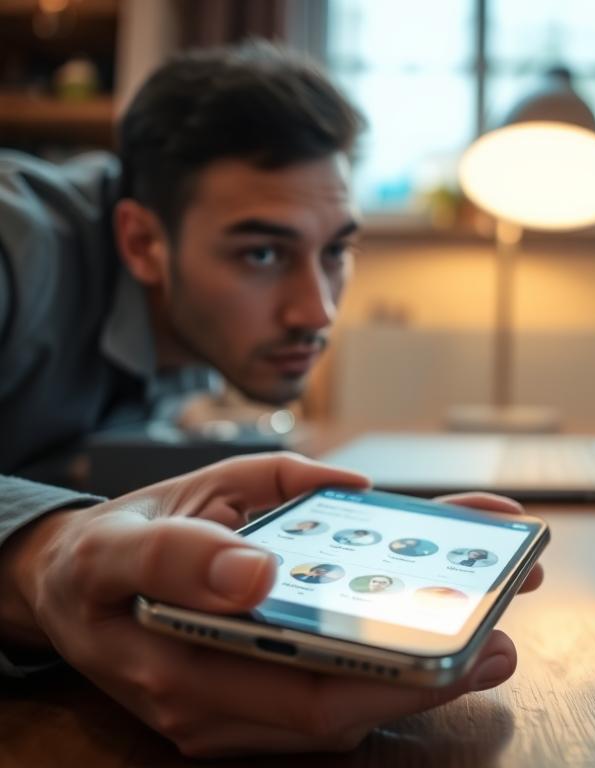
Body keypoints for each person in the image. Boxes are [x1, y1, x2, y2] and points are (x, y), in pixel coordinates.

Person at [0, 41, 543, 758]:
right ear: (141, 241)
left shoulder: (196, 321)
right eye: (262, 254)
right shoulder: (16, 242)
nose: (317, 312)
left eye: (335, 251)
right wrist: (42, 561)